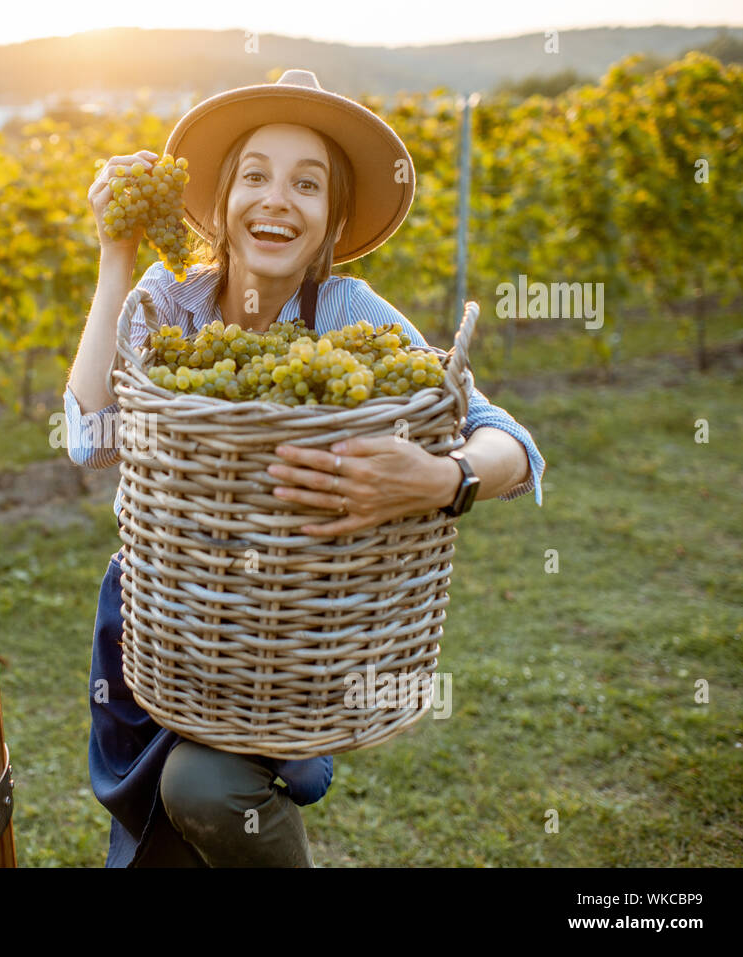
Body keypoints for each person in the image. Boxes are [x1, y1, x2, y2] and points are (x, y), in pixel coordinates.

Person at [61, 69, 545, 868]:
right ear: (220, 204)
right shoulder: (168, 302)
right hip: (168, 620)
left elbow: (512, 444)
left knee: (204, 789)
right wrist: (115, 256)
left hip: (290, 638)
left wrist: (441, 479)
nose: (276, 200)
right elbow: (89, 437)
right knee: (168, 843)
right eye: (254, 176)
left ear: (330, 220)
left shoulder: (349, 313)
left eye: (306, 184)